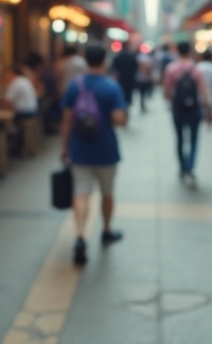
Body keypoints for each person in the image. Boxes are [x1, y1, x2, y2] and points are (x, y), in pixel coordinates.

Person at [60, 45, 128, 265]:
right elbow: (119, 119)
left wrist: (65, 146)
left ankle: (80, 235)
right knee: (107, 193)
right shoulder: (112, 86)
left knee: (80, 193)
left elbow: (67, 119)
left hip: (80, 149)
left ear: (86, 60)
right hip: (106, 150)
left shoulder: (74, 85)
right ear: (104, 60)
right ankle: (106, 230)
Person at [163, 41, 212, 187]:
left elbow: (166, 92)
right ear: (190, 51)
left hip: (178, 109)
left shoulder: (171, 69)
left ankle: (182, 167)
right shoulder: (196, 69)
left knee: (179, 139)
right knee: (193, 140)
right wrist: (208, 110)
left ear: (177, 51)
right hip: (194, 109)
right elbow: (203, 92)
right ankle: (190, 168)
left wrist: (174, 100)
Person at [110, 43, 140, 108]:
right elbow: (135, 69)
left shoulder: (118, 57)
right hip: (130, 80)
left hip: (121, 80)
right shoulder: (131, 57)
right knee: (128, 97)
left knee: (122, 96)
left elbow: (114, 69)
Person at [136, 48, 156, 113]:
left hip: (141, 78)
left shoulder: (138, 57)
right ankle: (143, 104)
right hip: (143, 78)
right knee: (143, 93)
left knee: (142, 93)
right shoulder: (147, 58)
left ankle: (142, 104)